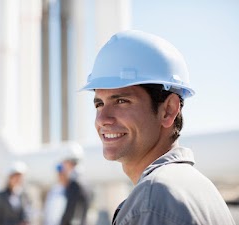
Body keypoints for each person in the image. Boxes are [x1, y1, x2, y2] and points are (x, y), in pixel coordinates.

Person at [80, 30, 235, 224]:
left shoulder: (153, 198)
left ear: (168, 110)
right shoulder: (202, 189)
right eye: (99, 104)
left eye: (121, 100)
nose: (102, 119)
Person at [59, 152, 91, 225]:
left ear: (69, 163)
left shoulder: (75, 184)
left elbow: (70, 211)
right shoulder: (85, 181)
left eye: (64, 163)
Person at [0, 161, 31, 225]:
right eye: (15, 176)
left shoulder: (24, 194)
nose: (17, 179)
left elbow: (27, 213)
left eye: (19, 177)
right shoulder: (1, 195)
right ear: (10, 178)